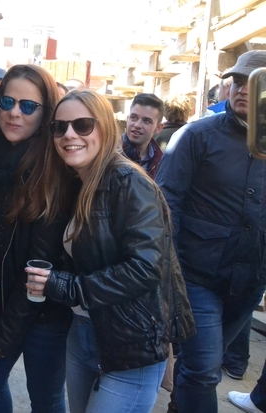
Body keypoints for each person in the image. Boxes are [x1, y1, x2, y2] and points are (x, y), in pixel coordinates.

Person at [28, 89, 195, 413]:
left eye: (82, 125)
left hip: (131, 343)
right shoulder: (78, 181)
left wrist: (67, 286)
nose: (69, 134)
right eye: (59, 127)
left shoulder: (129, 182)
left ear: (104, 128)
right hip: (83, 333)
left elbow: (145, 268)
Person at [157, 50, 266, 413]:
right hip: (196, 278)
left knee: (199, 366)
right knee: (204, 370)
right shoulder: (196, 135)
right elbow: (166, 203)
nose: (242, 89)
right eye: (237, 81)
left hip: (250, 282)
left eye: (252, 82)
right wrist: (169, 271)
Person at [0, 64, 73, 413]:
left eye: (28, 106)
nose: (14, 113)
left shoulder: (53, 172)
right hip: (2, 300)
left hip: (44, 309)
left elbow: (39, 266)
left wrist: (6, 331)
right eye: (7, 102)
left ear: (46, 114)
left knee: (46, 400)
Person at [120, 93, 164, 178]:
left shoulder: (162, 162)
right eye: (134, 118)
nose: (137, 125)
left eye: (146, 121)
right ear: (128, 119)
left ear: (158, 128)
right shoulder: (109, 154)